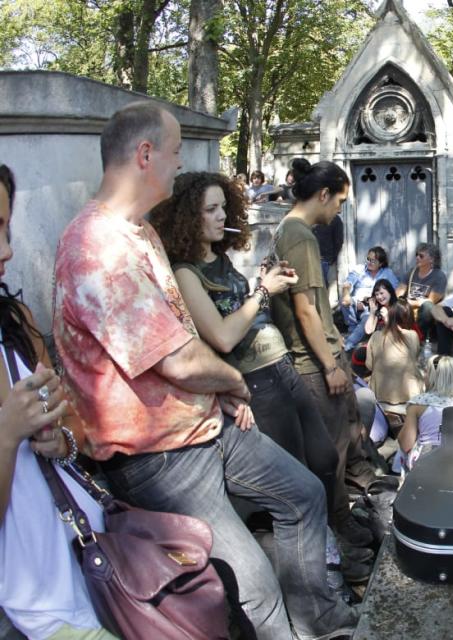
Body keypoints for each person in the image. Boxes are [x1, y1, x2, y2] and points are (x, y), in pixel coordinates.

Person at [52, 104, 357, 638]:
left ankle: (318, 619)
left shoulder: (140, 233)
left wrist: (219, 395)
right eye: (174, 153)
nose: (178, 165)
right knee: (255, 586)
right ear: (145, 154)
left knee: (305, 493)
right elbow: (177, 358)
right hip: (160, 458)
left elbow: (184, 334)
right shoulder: (95, 248)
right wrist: (235, 382)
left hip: (207, 424)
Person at [0, 164, 117, 639]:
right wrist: (8, 435)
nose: (7, 250)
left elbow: (74, 432)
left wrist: (60, 437)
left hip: (89, 561)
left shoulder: (15, 320)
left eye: (7, 228)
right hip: (33, 605)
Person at [269, 158, 381, 564]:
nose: (340, 209)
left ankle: (365, 501)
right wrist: (330, 366)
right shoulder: (300, 236)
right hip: (315, 364)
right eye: (339, 200)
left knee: (351, 436)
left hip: (324, 355)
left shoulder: (292, 230)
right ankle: (339, 525)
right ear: (322, 194)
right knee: (330, 451)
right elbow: (305, 310)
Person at [396, 355, 453, 471]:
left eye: (427, 372)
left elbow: (406, 444)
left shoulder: (417, 403)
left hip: (425, 460)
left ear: (433, 377)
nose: (424, 376)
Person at [366, 301, 423, 412]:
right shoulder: (412, 336)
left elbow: (369, 365)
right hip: (409, 396)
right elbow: (414, 359)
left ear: (390, 316)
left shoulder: (376, 336)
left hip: (380, 395)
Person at [341, 246, 399, 351]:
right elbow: (347, 284)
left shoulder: (387, 273)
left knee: (367, 317)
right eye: (368, 259)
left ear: (380, 263)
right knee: (345, 302)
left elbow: (395, 290)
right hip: (356, 303)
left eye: (373, 261)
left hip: (374, 304)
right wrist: (346, 295)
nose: (369, 262)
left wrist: (375, 302)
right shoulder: (359, 269)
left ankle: (349, 342)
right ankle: (352, 328)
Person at [396, 241, 446, 340]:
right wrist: (399, 301)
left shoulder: (439, 276)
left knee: (427, 307)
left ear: (431, 259)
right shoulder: (412, 272)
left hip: (425, 314)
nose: (417, 258)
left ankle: (419, 337)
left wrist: (408, 303)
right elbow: (398, 292)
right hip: (408, 309)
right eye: (416, 255)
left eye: (421, 256)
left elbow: (430, 301)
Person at [312, 211, 344, 285]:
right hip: (309, 258)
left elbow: (338, 241)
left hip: (324, 259)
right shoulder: (311, 216)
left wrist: (331, 258)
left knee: (321, 285)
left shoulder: (335, 219)